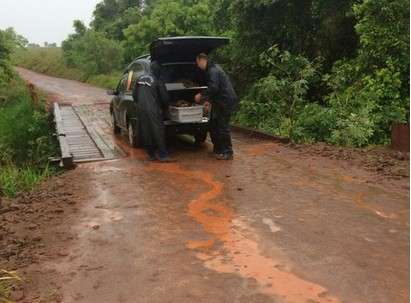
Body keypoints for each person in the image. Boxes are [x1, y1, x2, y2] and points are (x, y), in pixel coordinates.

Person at [194, 53, 238, 160]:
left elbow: (213, 87)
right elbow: (214, 89)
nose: (197, 66)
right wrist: (208, 100)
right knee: (215, 124)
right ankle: (219, 149)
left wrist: (202, 96)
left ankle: (228, 152)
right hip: (220, 101)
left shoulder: (212, 70)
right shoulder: (212, 68)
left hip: (225, 101)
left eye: (197, 63)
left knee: (223, 127)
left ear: (201, 60)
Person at [132, 61, 175, 162]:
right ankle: (163, 155)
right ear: (158, 70)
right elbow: (164, 98)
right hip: (153, 109)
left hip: (140, 109)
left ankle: (151, 154)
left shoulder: (140, 78)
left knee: (146, 131)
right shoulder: (157, 80)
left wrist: (140, 104)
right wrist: (167, 107)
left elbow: (134, 95)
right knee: (158, 131)